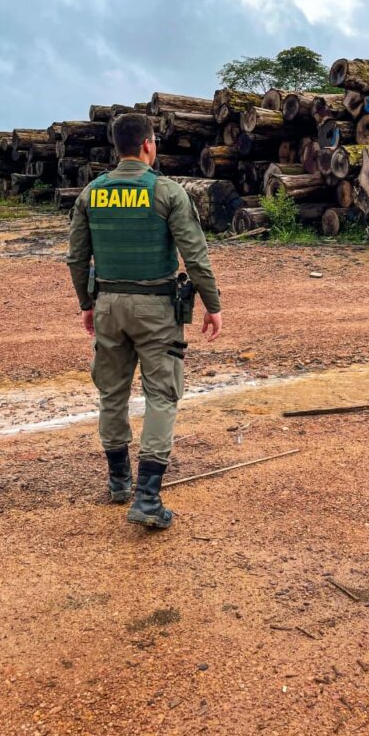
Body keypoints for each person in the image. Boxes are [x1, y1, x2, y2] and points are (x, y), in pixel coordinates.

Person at [66, 112, 222, 530]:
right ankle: (148, 496)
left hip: (108, 305)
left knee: (111, 392)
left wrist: (86, 302)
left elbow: (77, 257)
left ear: (118, 148)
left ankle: (119, 481)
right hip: (156, 308)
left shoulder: (91, 193)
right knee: (162, 394)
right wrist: (213, 303)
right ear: (149, 145)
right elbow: (195, 254)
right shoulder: (166, 191)